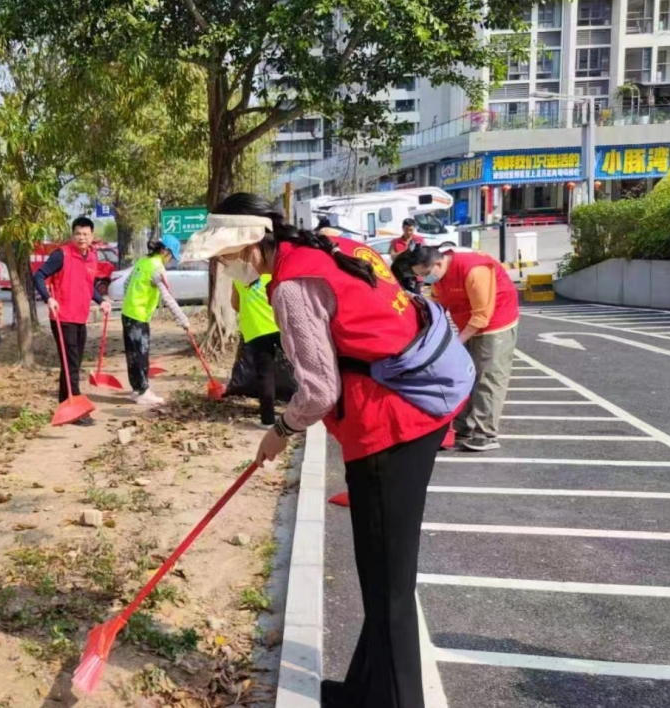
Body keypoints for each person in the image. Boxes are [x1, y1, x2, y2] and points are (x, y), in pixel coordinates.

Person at [182, 193, 467, 708]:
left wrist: (281, 432)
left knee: (389, 591)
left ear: (249, 247)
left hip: (392, 424)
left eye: (225, 257)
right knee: (381, 580)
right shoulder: (326, 245)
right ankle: (364, 694)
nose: (224, 267)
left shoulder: (290, 286)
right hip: (411, 405)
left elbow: (318, 391)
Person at [405, 245, 519, 452]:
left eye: (425, 274)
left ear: (438, 264)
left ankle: (486, 434)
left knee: (488, 378)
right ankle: (461, 429)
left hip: (496, 323)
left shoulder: (474, 269)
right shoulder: (439, 275)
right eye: (419, 276)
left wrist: (457, 341)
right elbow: (438, 305)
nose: (424, 279)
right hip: (466, 322)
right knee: (463, 376)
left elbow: (482, 315)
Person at [32, 216, 113, 425]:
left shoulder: (92, 257)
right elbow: (38, 276)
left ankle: (65, 404)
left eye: (85, 234)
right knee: (72, 363)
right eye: (78, 233)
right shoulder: (62, 255)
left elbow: (88, 286)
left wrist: (100, 300)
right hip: (62, 317)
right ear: (72, 234)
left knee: (71, 363)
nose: (81, 237)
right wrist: (48, 298)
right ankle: (75, 409)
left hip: (80, 317)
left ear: (92, 236)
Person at [120, 235, 190, 406]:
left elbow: (126, 284)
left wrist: (132, 300)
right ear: (165, 251)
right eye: (171, 256)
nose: (170, 260)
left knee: (132, 354)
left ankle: (137, 389)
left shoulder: (143, 262)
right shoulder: (157, 268)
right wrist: (183, 320)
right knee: (141, 354)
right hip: (139, 316)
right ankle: (143, 391)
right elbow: (167, 297)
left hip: (127, 313)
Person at [230, 271, 281, 427]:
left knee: (265, 374)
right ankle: (309, 409)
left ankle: (268, 420)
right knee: (299, 366)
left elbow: (235, 304)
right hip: (279, 325)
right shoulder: (271, 271)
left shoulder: (238, 275)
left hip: (256, 329)